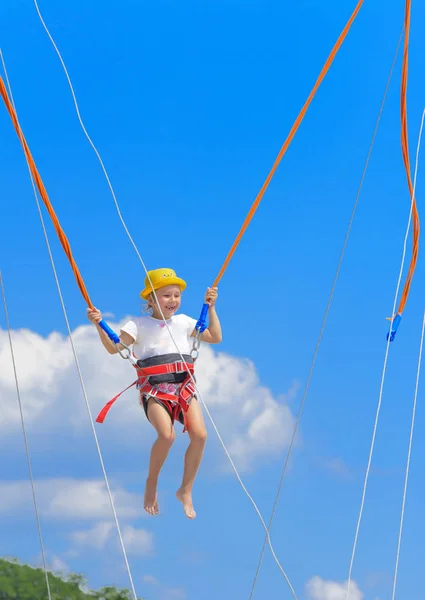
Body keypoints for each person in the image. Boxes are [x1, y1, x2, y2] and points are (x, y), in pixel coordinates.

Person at [87, 268, 222, 520]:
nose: (173, 300)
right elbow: (113, 348)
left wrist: (211, 308)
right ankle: (152, 482)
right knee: (166, 435)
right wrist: (98, 325)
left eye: (177, 295)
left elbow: (214, 336)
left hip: (183, 387)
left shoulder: (184, 322)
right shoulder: (137, 325)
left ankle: (186, 490)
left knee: (200, 435)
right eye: (166, 295)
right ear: (150, 299)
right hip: (154, 389)